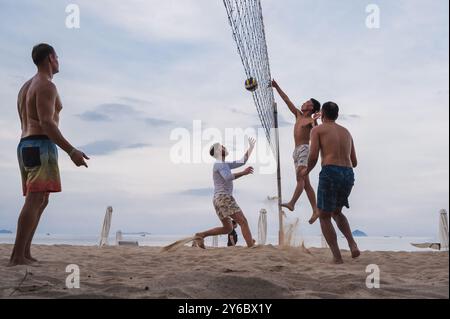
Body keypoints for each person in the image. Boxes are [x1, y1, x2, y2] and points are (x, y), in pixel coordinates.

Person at [9, 44, 89, 266]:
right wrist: (71, 151)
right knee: (35, 200)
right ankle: (17, 255)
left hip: (26, 144)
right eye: (57, 57)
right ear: (50, 58)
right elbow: (46, 123)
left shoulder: (26, 87)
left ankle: (24, 253)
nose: (59, 61)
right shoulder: (47, 86)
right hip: (39, 145)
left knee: (40, 200)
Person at [301, 102, 360, 264]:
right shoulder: (347, 132)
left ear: (323, 114)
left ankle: (337, 257)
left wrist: (306, 171)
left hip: (330, 171)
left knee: (324, 216)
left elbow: (313, 156)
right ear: (337, 115)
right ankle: (352, 244)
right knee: (337, 212)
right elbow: (354, 162)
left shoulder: (317, 130)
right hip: (348, 173)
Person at [271, 79, 321, 224]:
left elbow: (316, 129)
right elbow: (286, 100)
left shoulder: (310, 121)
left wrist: (316, 120)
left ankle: (292, 203)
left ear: (311, 108)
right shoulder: (298, 115)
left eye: (307, 103)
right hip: (296, 151)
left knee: (300, 178)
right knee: (306, 183)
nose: (304, 103)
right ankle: (315, 210)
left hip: (305, 149)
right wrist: (276, 86)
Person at [194, 138, 257, 249]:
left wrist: (250, 148)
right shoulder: (219, 163)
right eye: (222, 146)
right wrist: (244, 173)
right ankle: (251, 246)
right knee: (243, 221)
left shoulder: (224, 164)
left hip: (217, 199)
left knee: (228, 229)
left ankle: (201, 235)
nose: (224, 147)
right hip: (224, 198)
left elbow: (243, 161)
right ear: (219, 151)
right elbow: (228, 177)